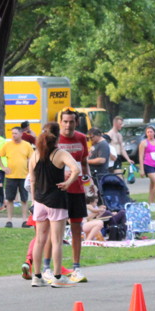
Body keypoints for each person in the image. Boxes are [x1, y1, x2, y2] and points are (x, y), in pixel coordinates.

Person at [28, 122, 80, 288]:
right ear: (57, 137)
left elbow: (32, 181)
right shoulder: (60, 153)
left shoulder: (34, 155)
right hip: (56, 201)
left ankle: (37, 276)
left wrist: (34, 200)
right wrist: (68, 183)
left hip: (39, 201)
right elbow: (76, 169)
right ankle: (57, 276)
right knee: (57, 240)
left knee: (39, 240)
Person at [54, 108, 90, 283]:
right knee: (55, 231)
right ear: (60, 122)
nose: (68, 125)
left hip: (77, 190)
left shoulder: (81, 138)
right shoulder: (54, 139)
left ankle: (76, 267)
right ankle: (51, 268)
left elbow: (84, 162)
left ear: (77, 122)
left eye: (71, 122)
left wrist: (89, 183)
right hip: (58, 190)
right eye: (65, 121)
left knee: (77, 229)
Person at [0, 126, 34, 227]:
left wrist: (30, 171)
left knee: (24, 199)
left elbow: (32, 158)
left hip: (24, 176)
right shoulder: (7, 145)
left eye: (15, 133)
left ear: (21, 134)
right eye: (12, 133)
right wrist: (3, 167)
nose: (13, 135)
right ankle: (9, 220)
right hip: (11, 176)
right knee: (10, 199)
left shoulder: (26, 145)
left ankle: (24, 221)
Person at [139, 125, 155, 205]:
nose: (149, 133)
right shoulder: (144, 143)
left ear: (154, 133)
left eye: (151, 132)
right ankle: (152, 203)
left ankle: (150, 202)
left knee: (152, 185)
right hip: (148, 165)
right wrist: (142, 169)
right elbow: (141, 156)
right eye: (148, 132)